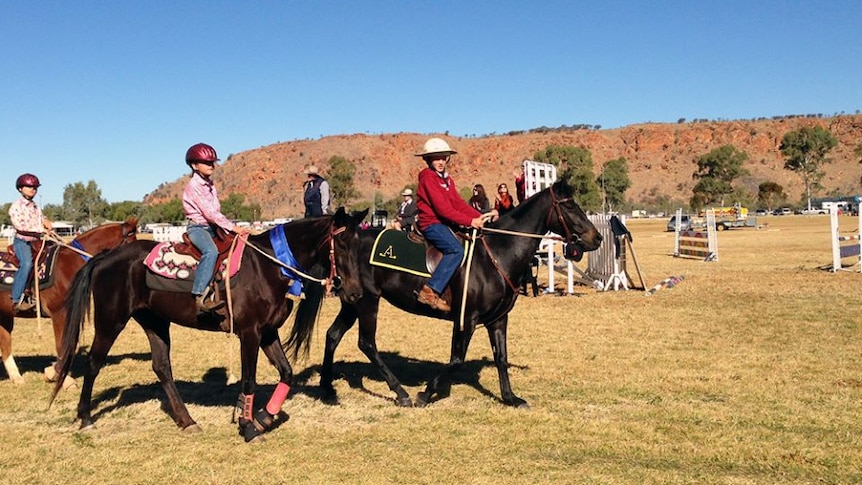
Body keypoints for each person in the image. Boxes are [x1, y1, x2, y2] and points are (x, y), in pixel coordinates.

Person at [415, 138, 497, 312]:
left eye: (444, 158)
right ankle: (431, 290)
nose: (441, 162)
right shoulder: (428, 178)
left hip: (444, 223)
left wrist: (481, 217)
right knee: (455, 250)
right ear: (428, 160)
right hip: (432, 223)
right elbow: (443, 209)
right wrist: (470, 221)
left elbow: (458, 204)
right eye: (437, 158)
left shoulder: (447, 180)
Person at [182, 143, 250, 314]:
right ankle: (199, 296)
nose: (211, 165)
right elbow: (210, 213)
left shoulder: (210, 184)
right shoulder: (194, 186)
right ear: (194, 165)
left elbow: (215, 212)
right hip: (198, 228)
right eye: (207, 162)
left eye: (212, 162)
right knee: (211, 251)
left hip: (212, 227)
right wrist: (233, 227)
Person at [8, 173, 52, 312]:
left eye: (35, 187)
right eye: (29, 186)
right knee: (27, 264)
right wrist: (40, 230)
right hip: (22, 242)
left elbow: (41, 219)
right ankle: (16, 298)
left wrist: (46, 222)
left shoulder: (35, 207)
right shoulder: (16, 207)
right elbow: (20, 226)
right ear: (20, 188)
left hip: (37, 242)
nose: (33, 189)